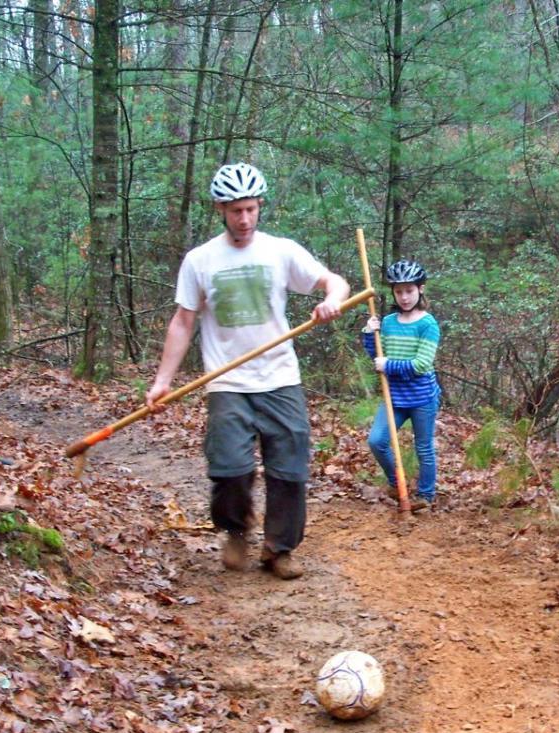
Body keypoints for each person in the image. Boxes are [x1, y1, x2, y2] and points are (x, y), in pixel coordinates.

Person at [146, 163, 349, 579]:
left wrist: (333, 300)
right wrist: (163, 381)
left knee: (289, 470)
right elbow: (183, 322)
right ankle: (236, 531)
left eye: (251, 209)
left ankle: (279, 549)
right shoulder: (200, 260)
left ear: (260, 207)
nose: (244, 219)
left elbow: (335, 282)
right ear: (220, 208)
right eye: (236, 210)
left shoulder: (280, 250)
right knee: (230, 469)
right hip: (226, 380)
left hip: (280, 378)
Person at [362, 259, 441, 511]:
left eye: (409, 290)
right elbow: (377, 357)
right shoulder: (388, 322)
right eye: (399, 291)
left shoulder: (428, 324)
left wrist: (389, 366)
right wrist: (369, 333)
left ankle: (426, 496)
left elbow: (421, 364)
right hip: (394, 397)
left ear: (420, 289)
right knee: (377, 441)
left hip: (422, 397)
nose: (404, 297)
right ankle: (399, 483)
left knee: (424, 448)